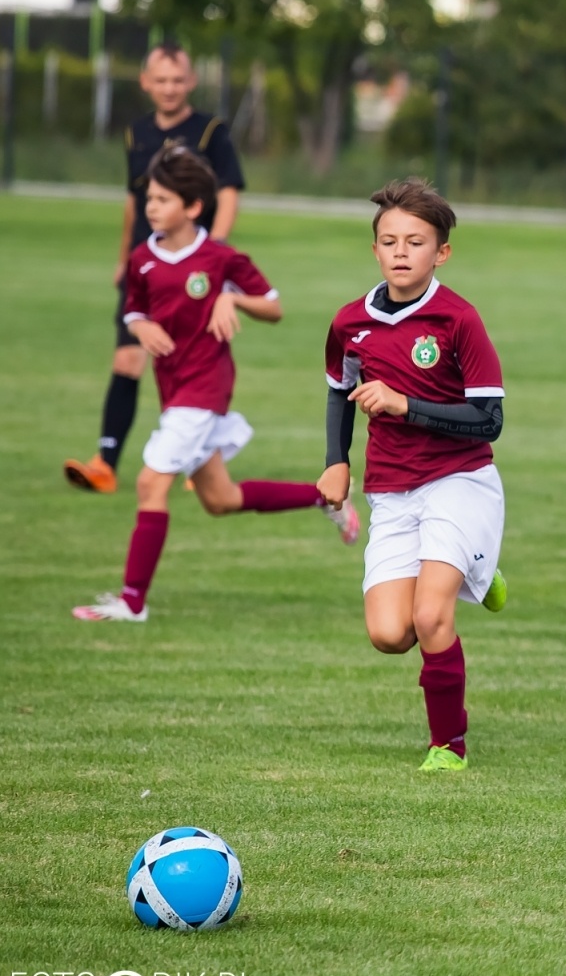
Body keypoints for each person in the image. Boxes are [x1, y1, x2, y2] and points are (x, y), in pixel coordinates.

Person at [73, 147, 358, 623]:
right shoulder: (143, 258)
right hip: (173, 390)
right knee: (220, 500)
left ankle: (132, 603)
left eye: (163, 199)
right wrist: (140, 327)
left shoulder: (220, 257)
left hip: (205, 388)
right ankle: (324, 497)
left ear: (192, 207)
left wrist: (233, 299)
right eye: (149, 198)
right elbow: (135, 310)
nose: (151, 207)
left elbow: (274, 306)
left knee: (149, 483)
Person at [318, 179, 508, 774]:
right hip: (391, 493)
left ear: (440, 253)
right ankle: (478, 568)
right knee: (389, 633)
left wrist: (407, 406)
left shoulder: (458, 320)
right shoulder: (351, 323)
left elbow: (489, 420)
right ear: (375, 249)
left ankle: (448, 746)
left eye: (416, 242)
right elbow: (338, 394)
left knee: (431, 617)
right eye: (390, 241)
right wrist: (336, 459)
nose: (402, 252)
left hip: (460, 481)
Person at [64, 44, 247, 495]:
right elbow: (134, 202)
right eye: (160, 80)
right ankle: (104, 463)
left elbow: (228, 193)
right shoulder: (137, 133)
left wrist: (215, 254)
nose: (169, 88)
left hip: (194, 274)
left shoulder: (210, 132)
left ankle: (204, 459)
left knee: (196, 363)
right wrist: (124, 257)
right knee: (127, 358)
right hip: (146, 269)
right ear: (145, 82)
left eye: (177, 80)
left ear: (191, 82)